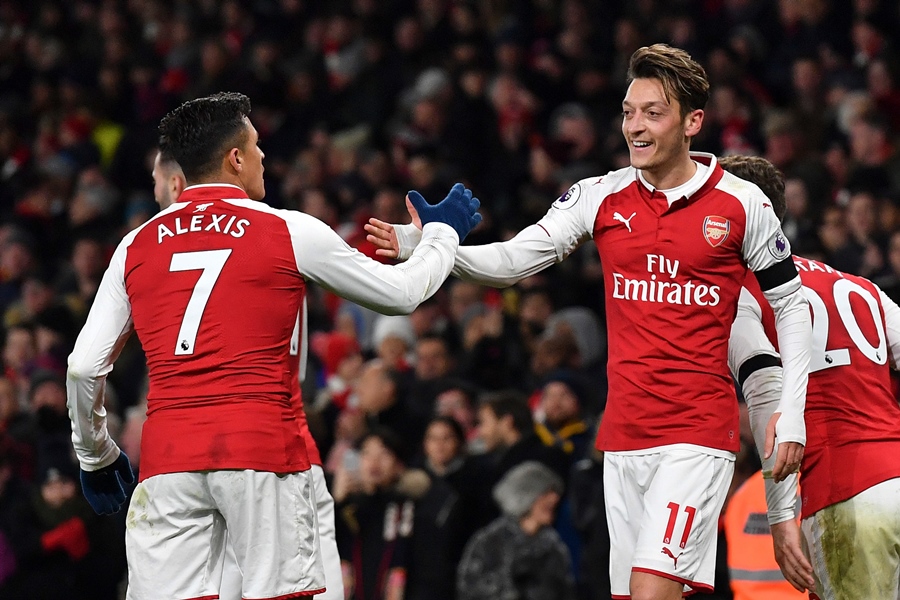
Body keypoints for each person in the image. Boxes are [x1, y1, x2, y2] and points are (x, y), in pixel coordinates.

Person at [366, 44, 812, 599]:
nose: (636, 127)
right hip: (623, 438)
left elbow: (793, 307)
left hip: (695, 437)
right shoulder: (600, 195)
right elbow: (512, 261)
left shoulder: (742, 205)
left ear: (693, 122)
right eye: (628, 112)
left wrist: (791, 419)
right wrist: (429, 245)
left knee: (652, 591)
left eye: (654, 112)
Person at [66, 91, 482, 600]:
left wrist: (97, 456)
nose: (265, 156)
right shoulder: (287, 231)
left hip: (168, 457)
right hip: (263, 450)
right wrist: (442, 234)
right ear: (235, 158)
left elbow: (84, 367)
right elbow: (401, 293)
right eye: (257, 145)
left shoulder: (135, 244)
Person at [151, 146, 346, 600]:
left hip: (194, 456)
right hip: (278, 449)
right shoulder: (280, 236)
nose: (156, 191)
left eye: (156, 180)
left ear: (178, 184)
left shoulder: (152, 254)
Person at [725, 154, 900, 598]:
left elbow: (769, 410)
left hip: (846, 495)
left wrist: (781, 521)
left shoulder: (744, 294)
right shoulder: (860, 286)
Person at [456, 460, 576, 600]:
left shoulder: (552, 544)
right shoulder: (490, 541)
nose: (554, 498)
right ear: (525, 498)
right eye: (546, 492)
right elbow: (469, 589)